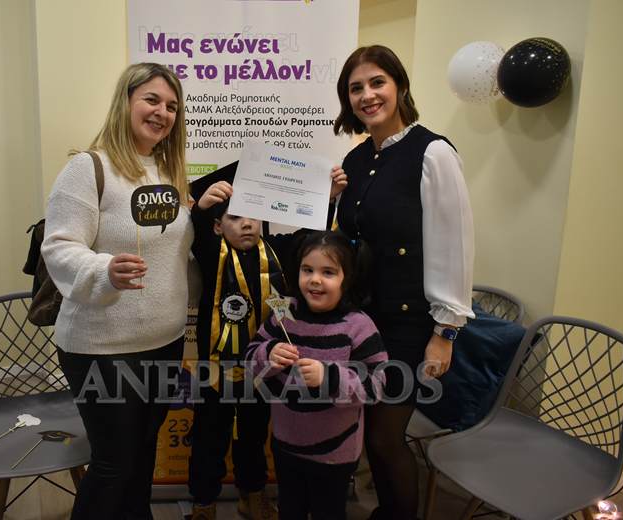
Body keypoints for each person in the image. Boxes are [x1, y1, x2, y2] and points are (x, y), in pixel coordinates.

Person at [41, 62, 194, 520]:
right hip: (103, 347)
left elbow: (175, 252)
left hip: (165, 341)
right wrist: (104, 270)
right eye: (151, 100)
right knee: (114, 464)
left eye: (172, 106)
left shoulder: (169, 172)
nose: (162, 112)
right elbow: (59, 246)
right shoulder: (88, 168)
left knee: (144, 453)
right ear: (125, 102)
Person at [332, 45, 475, 519]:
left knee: (384, 437)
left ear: (400, 86)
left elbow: (454, 245)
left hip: (411, 325)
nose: (367, 95)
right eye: (356, 88)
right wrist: (330, 200)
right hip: (364, 321)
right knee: (370, 432)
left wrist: (446, 332)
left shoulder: (433, 152)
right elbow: (348, 241)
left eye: (377, 83)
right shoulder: (355, 160)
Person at [186, 168, 345, 520]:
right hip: (217, 368)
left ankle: (252, 495)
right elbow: (195, 236)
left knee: (254, 435)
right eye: (235, 218)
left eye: (253, 216)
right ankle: (203, 503)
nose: (246, 224)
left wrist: (328, 198)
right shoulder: (212, 254)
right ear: (218, 226)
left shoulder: (277, 252)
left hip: (262, 366)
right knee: (209, 437)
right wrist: (201, 209)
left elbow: (309, 237)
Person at [245, 230, 388, 520]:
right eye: (307, 270)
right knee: (290, 510)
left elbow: (376, 385)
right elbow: (250, 358)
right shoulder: (284, 315)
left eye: (328, 272)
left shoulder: (358, 326)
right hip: (285, 446)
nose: (315, 280)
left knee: (328, 512)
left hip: (335, 455)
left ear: (347, 278)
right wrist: (268, 354)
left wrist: (329, 377)